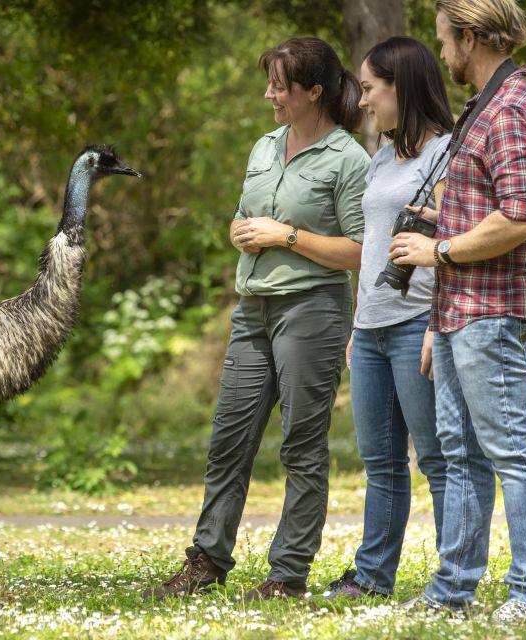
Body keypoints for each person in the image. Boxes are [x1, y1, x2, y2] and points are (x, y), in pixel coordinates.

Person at [143, 36, 370, 601]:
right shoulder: (264, 147)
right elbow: (247, 217)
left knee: (301, 443)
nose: (269, 94)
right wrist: (240, 230)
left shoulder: (348, 158)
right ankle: (207, 561)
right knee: (229, 438)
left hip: (313, 308)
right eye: (268, 81)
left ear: (313, 91)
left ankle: (287, 574)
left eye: (280, 85)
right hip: (253, 310)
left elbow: (364, 250)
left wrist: (286, 236)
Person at [390, 0, 526, 621]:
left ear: (471, 36)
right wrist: (437, 316)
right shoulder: (480, 109)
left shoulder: (511, 111)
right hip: (460, 310)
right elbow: (484, 209)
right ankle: (453, 588)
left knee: (509, 448)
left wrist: (438, 249)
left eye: (444, 41)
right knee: (460, 453)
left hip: (495, 307)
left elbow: (520, 217)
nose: (442, 54)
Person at [321, 37, 454, 601]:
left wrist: (434, 326)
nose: (365, 101)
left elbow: (454, 248)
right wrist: (358, 325)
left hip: (418, 322)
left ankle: (456, 578)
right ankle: (373, 578)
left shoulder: (447, 154)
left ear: (403, 86)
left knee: (438, 460)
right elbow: (374, 245)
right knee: (381, 463)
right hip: (372, 327)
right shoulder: (382, 154)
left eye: (372, 88)